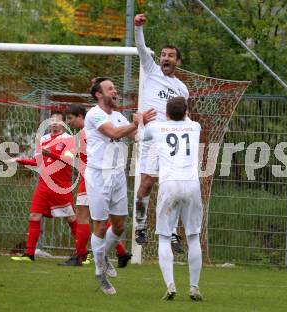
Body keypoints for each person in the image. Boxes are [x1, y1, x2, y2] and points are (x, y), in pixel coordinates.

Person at [85, 77, 155, 295]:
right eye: (110, 88)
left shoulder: (117, 116)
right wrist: (135, 123)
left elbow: (136, 136)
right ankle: (99, 271)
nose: (115, 91)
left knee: (120, 226)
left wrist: (148, 127)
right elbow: (114, 133)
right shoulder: (94, 113)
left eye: (115, 88)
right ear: (99, 94)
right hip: (98, 176)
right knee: (99, 225)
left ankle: (103, 255)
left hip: (117, 175)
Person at [134, 13, 189, 251]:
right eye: (163, 55)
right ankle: (140, 225)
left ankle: (173, 232)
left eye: (171, 56)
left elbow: (183, 117)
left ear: (178, 61)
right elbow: (141, 48)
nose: (165, 58)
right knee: (147, 182)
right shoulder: (151, 70)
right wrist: (138, 28)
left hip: (171, 141)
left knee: (174, 186)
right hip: (150, 137)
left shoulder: (181, 88)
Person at [144, 97, 203, 301]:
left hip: (169, 184)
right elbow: (184, 121)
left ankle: (170, 285)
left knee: (164, 237)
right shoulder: (195, 126)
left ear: (166, 113)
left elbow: (141, 136)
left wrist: (142, 120)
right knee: (193, 236)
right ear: (186, 112)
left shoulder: (156, 128)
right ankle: (194, 287)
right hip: (191, 184)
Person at [61, 104, 132, 267]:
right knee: (100, 220)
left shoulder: (86, 133)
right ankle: (121, 252)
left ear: (81, 117)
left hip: (92, 178)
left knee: (84, 216)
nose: (69, 122)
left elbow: (72, 157)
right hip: (101, 176)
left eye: (70, 118)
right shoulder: (96, 129)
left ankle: (80, 256)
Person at [10, 112, 79, 262]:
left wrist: (51, 153)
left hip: (60, 186)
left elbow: (68, 160)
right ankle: (29, 254)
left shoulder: (69, 140)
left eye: (58, 120)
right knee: (34, 216)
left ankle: (83, 252)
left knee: (71, 218)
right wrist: (20, 160)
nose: (54, 123)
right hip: (43, 184)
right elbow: (37, 162)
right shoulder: (42, 139)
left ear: (63, 123)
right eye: (52, 120)